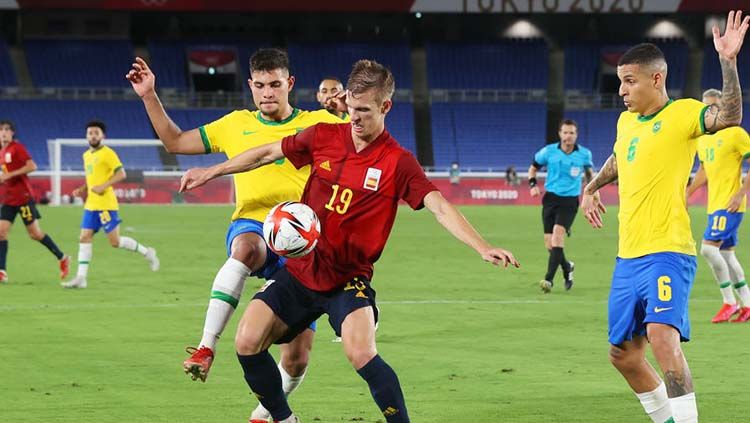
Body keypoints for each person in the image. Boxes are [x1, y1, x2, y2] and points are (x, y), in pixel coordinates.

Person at [179, 59, 519, 423]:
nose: (354, 118)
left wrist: (482, 246)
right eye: (351, 108)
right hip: (300, 271)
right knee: (246, 342)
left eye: (364, 111)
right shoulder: (324, 135)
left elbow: (439, 206)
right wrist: (211, 171)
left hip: (348, 280)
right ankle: (283, 418)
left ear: (385, 107)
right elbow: (265, 153)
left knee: (360, 353)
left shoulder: (398, 162)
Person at [127, 48, 348, 421]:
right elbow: (176, 142)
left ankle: (264, 413)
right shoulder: (234, 124)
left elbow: (373, 139)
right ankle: (205, 347)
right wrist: (149, 95)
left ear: (289, 84)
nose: (267, 93)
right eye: (260, 85)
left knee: (296, 358)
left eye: (275, 85)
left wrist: (350, 112)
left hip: (302, 243)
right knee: (246, 248)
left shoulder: (317, 123)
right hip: (254, 223)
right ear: (250, 85)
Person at [581, 12, 748, 423]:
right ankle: (667, 420)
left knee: (661, 337)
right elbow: (620, 158)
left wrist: (728, 63)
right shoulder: (626, 122)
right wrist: (591, 188)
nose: (621, 90)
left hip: (668, 251)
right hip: (627, 256)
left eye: (629, 80)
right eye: (620, 81)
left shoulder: (684, 115)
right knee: (623, 355)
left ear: (656, 79)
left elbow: (727, 117)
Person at [62, 121, 160, 289]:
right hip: (91, 204)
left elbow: (121, 174)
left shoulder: (108, 154)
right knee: (84, 237)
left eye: (96, 133)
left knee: (114, 242)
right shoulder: (86, 155)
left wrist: (103, 186)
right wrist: (83, 189)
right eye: (90, 133)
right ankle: (81, 278)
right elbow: (91, 178)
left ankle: (147, 252)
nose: (93, 135)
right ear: (86, 136)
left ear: (103, 136)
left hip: (106, 204)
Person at [686, 88, 750, 323]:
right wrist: (688, 193)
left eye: (715, 105)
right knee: (726, 253)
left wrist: (741, 193)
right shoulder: (702, 139)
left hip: (730, 204)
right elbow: (704, 169)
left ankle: (729, 302)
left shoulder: (735, 133)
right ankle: (747, 304)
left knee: (708, 249)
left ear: (723, 106)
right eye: (707, 107)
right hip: (715, 204)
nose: (712, 110)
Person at [528, 119, 594, 292]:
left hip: (570, 201)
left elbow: (589, 174)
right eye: (565, 132)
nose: (568, 136)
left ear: (576, 135)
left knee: (558, 237)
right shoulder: (549, 152)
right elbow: (533, 168)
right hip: (550, 199)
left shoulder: (584, 154)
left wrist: (592, 191)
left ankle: (548, 280)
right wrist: (533, 185)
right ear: (560, 134)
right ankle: (567, 267)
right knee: (550, 245)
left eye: (571, 132)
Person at [0, 120, 69, 283]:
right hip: (9, 199)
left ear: (12, 133)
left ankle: (62, 257)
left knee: (35, 234)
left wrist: (10, 175)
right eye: (1, 129)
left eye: (7, 129)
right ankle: (2, 271)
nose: (4, 132)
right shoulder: (2, 152)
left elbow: (32, 166)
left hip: (23, 198)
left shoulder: (17, 148)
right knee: (1, 233)